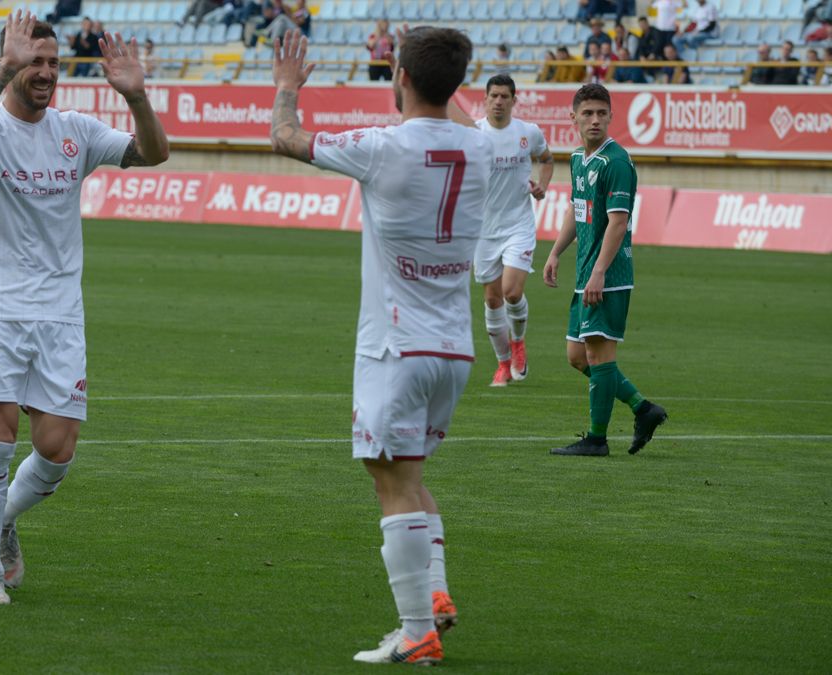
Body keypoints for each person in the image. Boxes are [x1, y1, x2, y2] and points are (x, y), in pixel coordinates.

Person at [269, 26, 490, 665]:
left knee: (391, 481)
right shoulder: (482, 150)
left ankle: (416, 631)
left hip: (396, 346)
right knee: (407, 477)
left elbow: (285, 138)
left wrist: (287, 88)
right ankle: (437, 597)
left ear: (399, 78)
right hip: (454, 349)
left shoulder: (382, 147)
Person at [0, 11, 168, 605]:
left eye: (52, 64)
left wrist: (137, 97)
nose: (45, 74)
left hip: (61, 313)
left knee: (57, 448)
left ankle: (4, 519)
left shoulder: (76, 130)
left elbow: (152, 154)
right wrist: (2, 71)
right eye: (34, 63)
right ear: (13, 63)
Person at [542, 83, 668, 457]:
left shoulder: (616, 162)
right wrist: (555, 253)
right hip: (585, 273)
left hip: (607, 276)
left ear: (611, 116)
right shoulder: (579, 158)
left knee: (598, 356)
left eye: (601, 113)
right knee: (577, 356)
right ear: (574, 118)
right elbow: (576, 210)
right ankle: (644, 409)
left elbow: (618, 222)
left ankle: (597, 439)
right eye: (587, 113)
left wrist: (598, 271)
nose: (594, 120)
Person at [473, 74, 553, 387]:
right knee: (492, 300)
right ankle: (503, 364)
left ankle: (518, 343)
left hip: (518, 224)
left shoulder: (528, 133)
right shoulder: (474, 134)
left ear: (514, 100)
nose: (498, 101)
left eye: (505, 96)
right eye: (493, 96)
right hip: (482, 230)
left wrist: (542, 186)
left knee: (512, 291)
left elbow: (547, 160)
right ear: (485, 99)